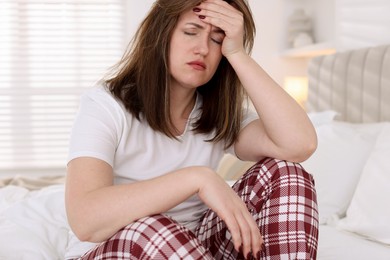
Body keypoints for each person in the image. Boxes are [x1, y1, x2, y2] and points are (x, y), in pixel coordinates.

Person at [65, 0, 319, 259]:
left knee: (287, 172)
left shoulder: (219, 115)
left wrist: (238, 54)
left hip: (195, 248)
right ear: (162, 34)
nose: (203, 49)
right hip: (117, 246)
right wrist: (197, 179)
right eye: (190, 31)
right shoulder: (105, 105)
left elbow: (299, 145)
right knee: (156, 228)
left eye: (217, 40)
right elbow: (85, 219)